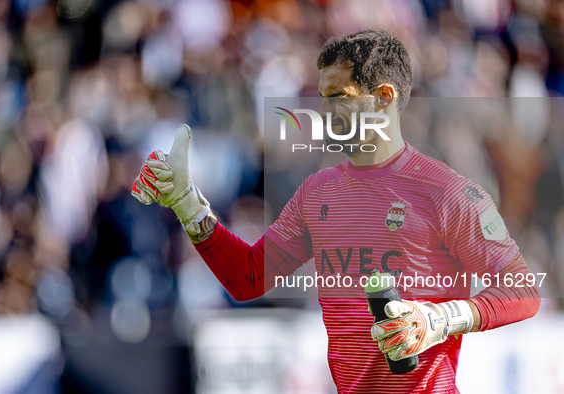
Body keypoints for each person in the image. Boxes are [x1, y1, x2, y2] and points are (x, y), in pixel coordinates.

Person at [131, 30, 540, 393]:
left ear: (383, 99)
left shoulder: (448, 192)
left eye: (339, 98)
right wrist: (187, 205)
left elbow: (523, 291)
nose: (326, 113)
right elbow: (250, 277)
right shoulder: (318, 191)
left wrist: (439, 319)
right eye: (323, 98)